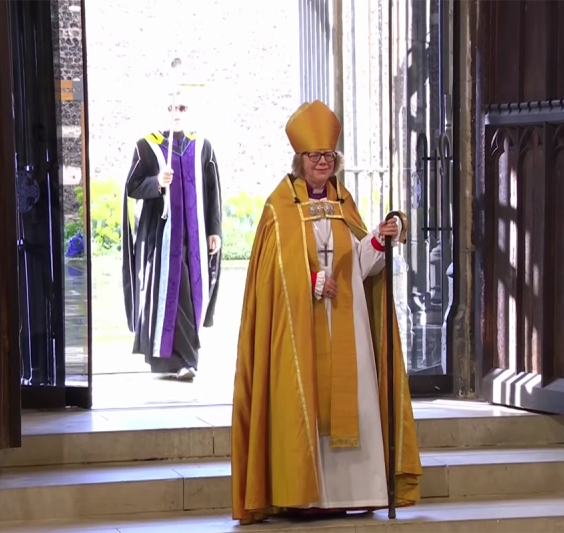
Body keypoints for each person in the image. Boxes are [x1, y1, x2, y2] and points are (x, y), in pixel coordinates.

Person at [231, 100, 422, 525]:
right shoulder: (279, 209)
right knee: (306, 405)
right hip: (299, 335)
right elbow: (271, 281)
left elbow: (356, 265)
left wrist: (378, 240)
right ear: (299, 160)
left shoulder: (343, 202)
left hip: (347, 327)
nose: (322, 162)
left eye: (329, 156)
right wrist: (311, 282)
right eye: (314, 156)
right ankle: (302, 494)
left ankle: (354, 491)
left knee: (354, 402)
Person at [121, 91, 222, 381]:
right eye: (170, 107)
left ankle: (186, 360)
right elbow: (132, 186)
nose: (176, 112)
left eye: (181, 106)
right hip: (160, 240)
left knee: (189, 293)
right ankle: (177, 362)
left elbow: (212, 190)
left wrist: (214, 229)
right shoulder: (147, 146)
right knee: (169, 296)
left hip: (193, 238)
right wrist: (158, 183)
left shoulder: (202, 147)